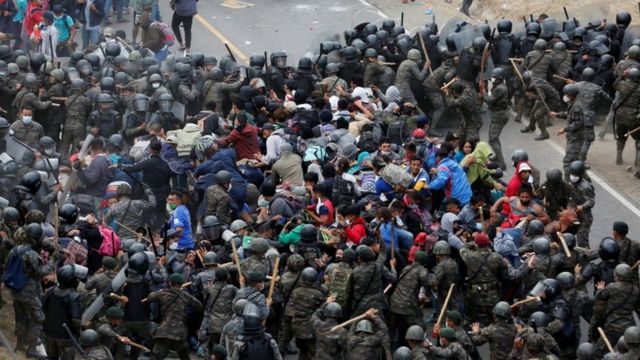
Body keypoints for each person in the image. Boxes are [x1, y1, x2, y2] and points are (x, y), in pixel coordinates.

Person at [148, 273, 203, 359]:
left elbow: (150, 297)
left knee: (157, 357)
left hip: (164, 331)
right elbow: (199, 306)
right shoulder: (186, 296)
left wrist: (161, 291)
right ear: (181, 284)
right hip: (180, 332)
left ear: (170, 283)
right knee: (184, 357)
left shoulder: (163, 293)